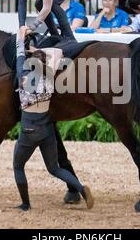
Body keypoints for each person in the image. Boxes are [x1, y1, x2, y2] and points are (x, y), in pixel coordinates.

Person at [13, 26, 94, 211]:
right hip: (46, 128)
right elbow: (57, 52)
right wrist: (38, 53)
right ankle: (81, 189)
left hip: (29, 130)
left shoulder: (23, 78)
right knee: (54, 168)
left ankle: (25, 204)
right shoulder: (49, 77)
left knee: (18, 166)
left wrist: (21, 36)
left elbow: (19, 54)